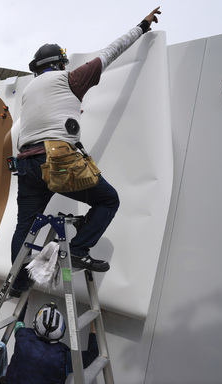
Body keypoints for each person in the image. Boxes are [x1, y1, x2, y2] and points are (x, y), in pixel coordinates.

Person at [10, 8, 162, 296]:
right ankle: (78, 250)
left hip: (26, 165)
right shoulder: (71, 78)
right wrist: (142, 26)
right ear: (60, 63)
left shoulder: (30, 91)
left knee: (24, 227)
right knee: (108, 200)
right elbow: (112, 51)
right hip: (57, 160)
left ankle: (18, 283)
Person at [0, 303, 98, 384]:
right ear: (61, 331)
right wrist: (94, 323)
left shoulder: (23, 335)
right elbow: (92, 354)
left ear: (36, 323)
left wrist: (26, 301)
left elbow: (18, 322)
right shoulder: (64, 357)